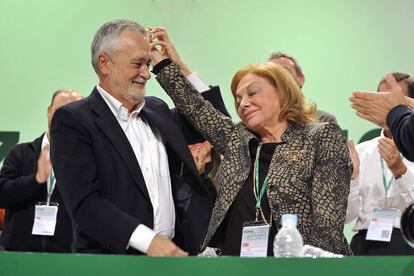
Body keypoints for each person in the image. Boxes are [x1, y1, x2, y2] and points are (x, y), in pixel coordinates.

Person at [151, 34, 352, 255]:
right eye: (238, 99)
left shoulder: (320, 136)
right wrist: (161, 62)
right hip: (235, 262)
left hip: (293, 265)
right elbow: (196, 108)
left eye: (253, 92)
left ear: (283, 92)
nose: (243, 103)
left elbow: (328, 223)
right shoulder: (239, 139)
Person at [50, 20, 224, 256]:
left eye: (148, 64)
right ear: (104, 63)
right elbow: (85, 204)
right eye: (138, 64)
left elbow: (217, 126)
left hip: (174, 258)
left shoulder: (157, 110)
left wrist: (179, 66)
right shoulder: (73, 120)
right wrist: (149, 241)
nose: (146, 74)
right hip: (113, 261)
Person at [0, 89, 82, 252]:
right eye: (62, 111)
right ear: (49, 111)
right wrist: (35, 180)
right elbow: (2, 196)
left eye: (74, 113)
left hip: (67, 257)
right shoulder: (21, 153)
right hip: (19, 255)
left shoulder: (87, 159)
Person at [346, 73, 414, 255]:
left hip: (406, 243)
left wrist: (401, 171)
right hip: (364, 245)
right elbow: (346, 217)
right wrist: (352, 180)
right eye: (380, 98)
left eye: (391, 100)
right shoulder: (361, 152)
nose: (383, 105)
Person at [350, 74, 414, 161]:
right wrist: (354, 174)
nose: (386, 105)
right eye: (382, 98)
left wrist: (401, 170)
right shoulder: (359, 154)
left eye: (393, 99)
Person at [268, 52, 337, 123]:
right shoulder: (259, 124)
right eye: (270, 74)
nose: (277, 78)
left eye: (285, 71)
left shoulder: (324, 121)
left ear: (301, 79)